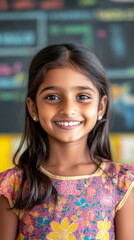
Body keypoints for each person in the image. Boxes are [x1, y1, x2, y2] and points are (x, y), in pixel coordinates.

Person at [0, 43, 134, 240]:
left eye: (82, 96)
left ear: (101, 107)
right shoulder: (13, 186)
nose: (68, 108)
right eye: (52, 97)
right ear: (33, 108)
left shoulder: (121, 184)